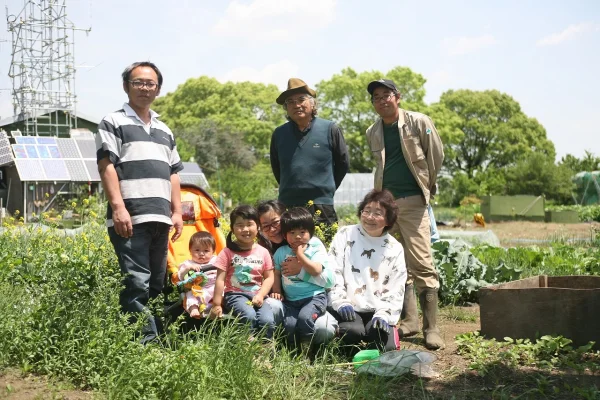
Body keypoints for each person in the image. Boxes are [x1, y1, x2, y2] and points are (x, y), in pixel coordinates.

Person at [96, 61, 183, 344]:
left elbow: (173, 173)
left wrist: (177, 211)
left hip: (161, 217)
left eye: (150, 83)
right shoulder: (113, 121)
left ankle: (155, 337)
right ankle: (143, 345)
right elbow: (106, 166)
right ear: (126, 86)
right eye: (139, 82)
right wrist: (119, 207)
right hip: (131, 217)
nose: (145, 88)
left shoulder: (165, 129)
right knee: (136, 281)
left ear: (158, 89)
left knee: (157, 282)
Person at [365, 79, 445, 350]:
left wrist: (425, 188)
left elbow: (436, 156)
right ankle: (409, 319)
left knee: (421, 263)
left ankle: (431, 328)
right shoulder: (372, 131)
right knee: (396, 263)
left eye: (386, 95)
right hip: (387, 206)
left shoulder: (419, 122)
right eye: (376, 97)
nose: (382, 100)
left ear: (397, 97)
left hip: (413, 202)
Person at [328, 189, 407, 353]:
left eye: (377, 213)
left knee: (385, 345)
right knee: (352, 333)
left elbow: (397, 286)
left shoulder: (395, 248)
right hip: (349, 307)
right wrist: (340, 301)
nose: (370, 217)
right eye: (367, 211)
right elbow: (332, 271)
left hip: (378, 309)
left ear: (388, 220)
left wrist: (385, 314)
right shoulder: (345, 234)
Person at [257, 200, 338, 346]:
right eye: (265, 226)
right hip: (287, 302)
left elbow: (330, 281)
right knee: (275, 309)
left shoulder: (311, 244)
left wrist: (300, 270)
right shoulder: (265, 249)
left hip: (312, 299)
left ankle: (310, 348)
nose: (272, 229)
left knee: (323, 328)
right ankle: (279, 345)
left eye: (275, 222)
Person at [270, 78, 349, 225]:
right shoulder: (279, 134)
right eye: (290, 102)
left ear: (312, 103)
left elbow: (343, 163)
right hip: (288, 204)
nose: (297, 105)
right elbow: (277, 168)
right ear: (286, 108)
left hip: (322, 205)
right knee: (289, 247)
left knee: (325, 246)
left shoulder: (330, 129)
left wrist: (325, 188)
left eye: (301, 99)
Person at [210, 205, 275, 339]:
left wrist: (262, 295)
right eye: (239, 225)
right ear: (232, 229)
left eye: (249, 224)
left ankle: (265, 351)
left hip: (258, 294)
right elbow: (220, 279)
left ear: (258, 227)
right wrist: (216, 304)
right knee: (248, 315)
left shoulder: (263, 252)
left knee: (267, 320)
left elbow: (269, 277)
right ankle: (247, 347)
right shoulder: (227, 252)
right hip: (235, 294)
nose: (245, 229)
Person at [175, 232, 218, 319]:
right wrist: (188, 268)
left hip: (215, 286)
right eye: (197, 250)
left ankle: (220, 307)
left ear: (213, 251)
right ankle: (194, 309)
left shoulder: (216, 260)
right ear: (190, 251)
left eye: (206, 251)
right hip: (198, 288)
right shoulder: (188, 263)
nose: (201, 254)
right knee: (191, 295)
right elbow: (180, 276)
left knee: (225, 291)